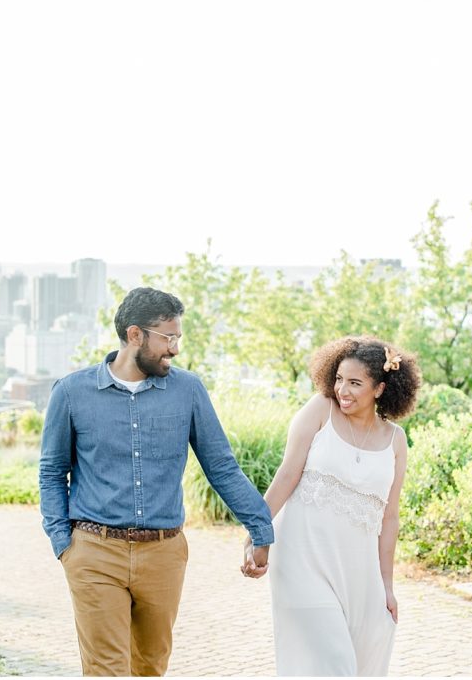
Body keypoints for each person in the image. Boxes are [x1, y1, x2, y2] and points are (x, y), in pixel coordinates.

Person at [39, 287, 273, 677]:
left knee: (150, 667)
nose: (175, 349)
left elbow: (222, 467)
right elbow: (51, 472)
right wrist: (64, 544)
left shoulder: (188, 390)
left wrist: (260, 527)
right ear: (135, 335)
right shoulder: (71, 393)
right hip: (95, 552)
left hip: (163, 554)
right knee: (106, 670)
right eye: (168, 337)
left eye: (177, 338)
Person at [246, 335, 421, 676]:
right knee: (335, 664)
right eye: (339, 379)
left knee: (363, 659)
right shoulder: (320, 410)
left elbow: (390, 517)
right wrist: (257, 530)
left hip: (359, 570)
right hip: (302, 559)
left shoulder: (396, 440)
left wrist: (386, 585)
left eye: (355, 383)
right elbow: (285, 476)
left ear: (380, 389)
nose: (343, 390)